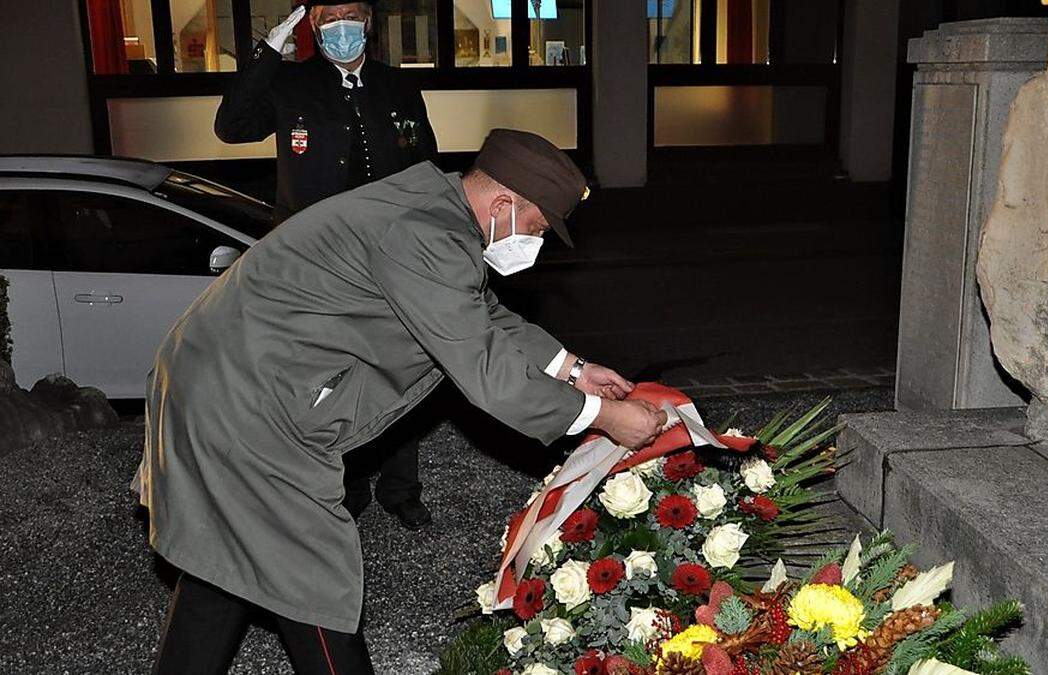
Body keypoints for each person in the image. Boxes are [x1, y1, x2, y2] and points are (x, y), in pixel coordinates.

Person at [135, 129, 666, 673]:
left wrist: (573, 369)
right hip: (247, 406)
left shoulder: (439, 209)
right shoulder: (423, 235)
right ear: (504, 203)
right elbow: (485, 370)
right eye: (537, 228)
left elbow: (481, 312)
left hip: (226, 381)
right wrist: (604, 417)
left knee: (228, 558)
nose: (537, 241)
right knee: (312, 575)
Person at [215, 0, 440, 527]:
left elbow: (425, 161)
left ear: (368, 23)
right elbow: (231, 126)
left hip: (390, 257)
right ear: (314, 26)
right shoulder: (290, 84)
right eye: (329, 18)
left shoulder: (397, 85)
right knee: (333, 375)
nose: (342, 27)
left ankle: (401, 487)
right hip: (317, 264)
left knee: (399, 366)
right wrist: (268, 52)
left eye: (352, 16)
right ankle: (348, 483)